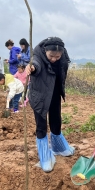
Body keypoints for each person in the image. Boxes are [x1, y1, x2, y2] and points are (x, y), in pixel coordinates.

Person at [25, 37, 75, 172]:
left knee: (56, 120)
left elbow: (62, 71)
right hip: (39, 95)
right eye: (51, 56)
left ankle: (59, 147)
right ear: (45, 51)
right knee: (41, 125)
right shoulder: (37, 55)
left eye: (57, 56)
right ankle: (45, 157)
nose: (54, 59)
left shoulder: (63, 57)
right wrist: (32, 68)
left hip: (54, 93)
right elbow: (36, 64)